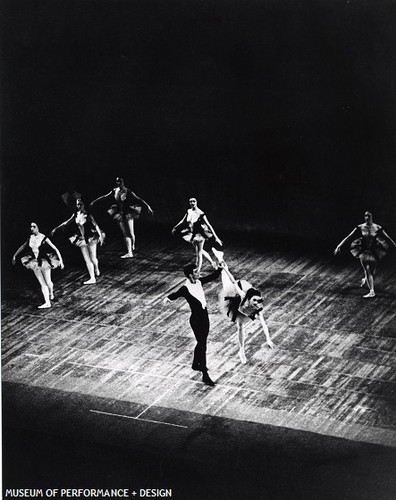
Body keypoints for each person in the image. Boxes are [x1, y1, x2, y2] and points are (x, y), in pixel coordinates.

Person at [163, 263, 222, 386]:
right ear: (190, 275)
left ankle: (196, 364)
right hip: (196, 320)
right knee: (202, 345)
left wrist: (220, 268)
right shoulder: (185, 288)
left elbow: (212, 277)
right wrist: (168, 298)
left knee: (202, 342)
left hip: (205, 317)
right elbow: (176, 294)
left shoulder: (199, 282)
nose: (199, 273)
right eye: (196, 272)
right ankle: (205, 375)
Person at [219, 262, 274, 364]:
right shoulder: (243, 295)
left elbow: (264, 325)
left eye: (258, 301)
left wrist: (268, 339)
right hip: (235, 301)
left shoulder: (257, 309)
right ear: (249, 298)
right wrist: (226, 270)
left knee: (240, 325)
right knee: (227, 284)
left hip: (242, 310)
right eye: (254, 301)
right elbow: (233, 281)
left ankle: (241, 351)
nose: (256, 303)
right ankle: (222, 264)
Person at [334, 211, 396, 298]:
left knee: (372, 272)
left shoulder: (377, 227)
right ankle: (372, 291)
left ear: (372, 217)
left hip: (375, 250)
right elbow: (349, 237)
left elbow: (387, 237)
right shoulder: (360, 227)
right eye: (365, 216)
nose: (366, 218)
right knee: (368, 270)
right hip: (363, 250)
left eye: (368, 216)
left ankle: (365, 279)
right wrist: (339, 246)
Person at [90, 177, 154, 258]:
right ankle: (129, 252)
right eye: (117, 181)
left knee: (131, 233)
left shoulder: (128, 191)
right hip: (119, 213)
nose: (119, 183)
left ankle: (132, 245)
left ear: (123, 182)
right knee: (125, 233)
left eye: (120, 181)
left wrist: (148, 206)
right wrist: (94, 202)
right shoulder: (114, 190)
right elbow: (104, 197)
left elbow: (138, 199)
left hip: (128, 213)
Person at [51, 198, 104, 284]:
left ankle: (96, 268)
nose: (79, 206)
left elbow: (96, 225)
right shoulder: (76, 214)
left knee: (93, 258)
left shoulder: (88, 215)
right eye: (78, 204)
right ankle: (92, 278)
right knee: (87, 260)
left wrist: (100, 236)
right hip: (81, 239)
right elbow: (66, 222)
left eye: (81, 204)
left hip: (90, 237)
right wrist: (56, 229)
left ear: (84, 205)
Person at [12, 222, 65, 308]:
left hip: (44, 262)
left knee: (48, 281)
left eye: (34, 226)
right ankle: (47, 302)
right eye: (31, 227)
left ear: (38, 227)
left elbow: (55, 248)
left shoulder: (43, 237)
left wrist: (61, 261)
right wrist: (15, 255)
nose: (32, 228)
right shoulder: (30, 237)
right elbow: (23, 246)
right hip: (34, 262)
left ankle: (51, 293)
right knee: (42, 283)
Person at [172, 197, 223, 274]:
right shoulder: (188, 211)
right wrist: (175, 227)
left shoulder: (200, 213)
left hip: (199, 235)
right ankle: (212, 263)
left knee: (198, 253)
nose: (192, 203)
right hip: (191, 234)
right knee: (200, 251)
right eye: (190, 201)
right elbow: (183, 220)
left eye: (194, 201)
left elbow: (209, 225)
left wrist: (216, 237)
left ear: (196, 202)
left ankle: (198, 271)